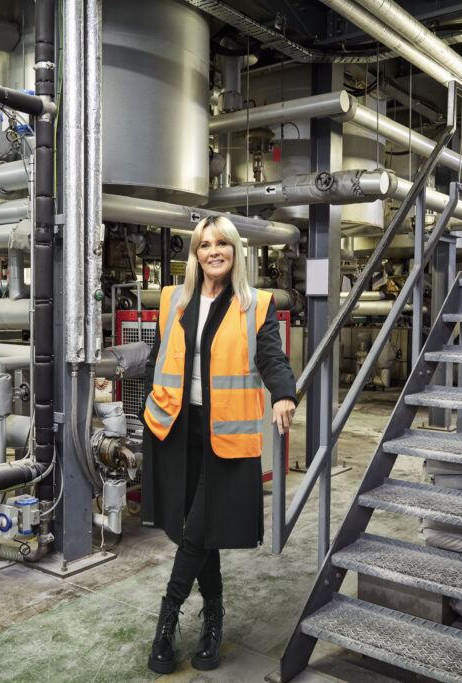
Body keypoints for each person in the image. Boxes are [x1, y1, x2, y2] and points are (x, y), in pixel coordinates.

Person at [141, 215, 297, 673]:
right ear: (195, 254)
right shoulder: (175, 298)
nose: (213, 252)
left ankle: (166, 624)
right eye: (204, 245)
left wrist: (284, 393)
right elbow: (158, 355)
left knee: (195, 531)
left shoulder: (256, 303)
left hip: (223, 431)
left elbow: (271, 356)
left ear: (235, 251)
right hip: (174, 425)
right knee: (198, 529)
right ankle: (212, 619)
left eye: (222, 244)